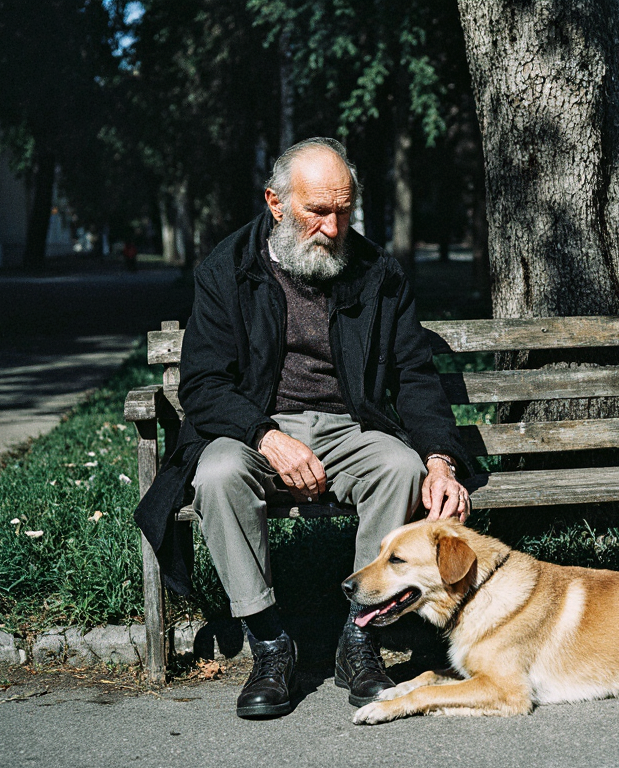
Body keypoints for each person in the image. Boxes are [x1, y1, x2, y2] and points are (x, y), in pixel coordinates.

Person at [133, 137, 472, 719]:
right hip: (253, 428)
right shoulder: (227, 271)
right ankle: (270, 643)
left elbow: (416, 375)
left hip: (348, 426)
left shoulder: (377, 273)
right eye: (318, 210)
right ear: (276, 203)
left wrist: (441, 457)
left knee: (400, 465)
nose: (333, 226)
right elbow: (205, 386)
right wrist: (266, 435)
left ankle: (359, 639)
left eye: (343, 210)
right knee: (215, 475)